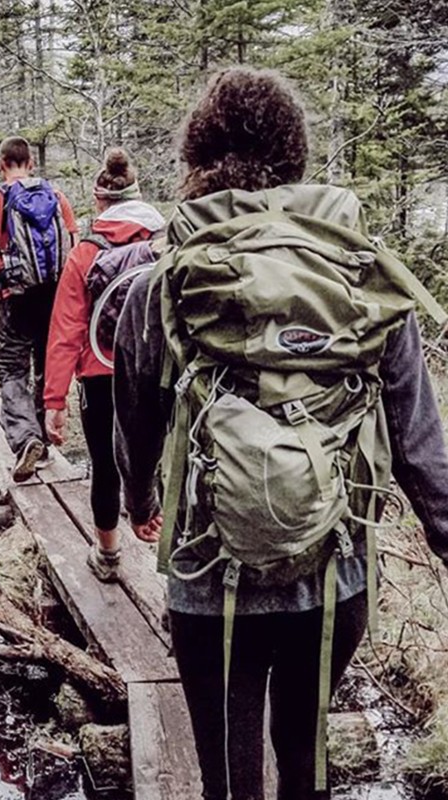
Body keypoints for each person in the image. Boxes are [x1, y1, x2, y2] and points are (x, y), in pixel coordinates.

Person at [113, 67, 448, 800]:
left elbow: (136, 418)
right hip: (335, 570)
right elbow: (419, 437)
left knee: (230, 778)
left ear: (196, 155)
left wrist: (139, 502)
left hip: (209, 574)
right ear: (295, 156)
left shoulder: (162, 280)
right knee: (306, 752)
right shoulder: (359, 276)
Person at [43, 147, 164, 582]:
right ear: (139, 194)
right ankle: (166, 557)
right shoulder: (165, 242)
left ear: (99, 202)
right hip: (157, 375)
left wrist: (53, 401)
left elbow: (65, 330)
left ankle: (108, 557)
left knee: (105, 466)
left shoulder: (86, 253)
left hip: (101, 374)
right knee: (160, 462)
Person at [0, 136, 79, 482]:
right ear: (31, 163)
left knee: (12, 369)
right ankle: (44, 439)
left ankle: (26, 438)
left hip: (14, 298)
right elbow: (73, 250)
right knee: (46, 366)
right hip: (53, 296)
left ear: (1, 164)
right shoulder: (57, 197)